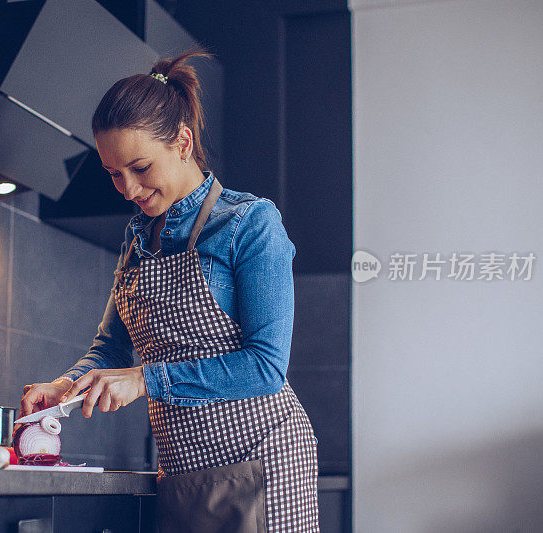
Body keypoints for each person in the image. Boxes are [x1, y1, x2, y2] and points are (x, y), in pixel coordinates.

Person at [20, 47, 319, 532]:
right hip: (182, 471)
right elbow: (112, 346)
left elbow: (265, 366)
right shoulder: (138, 237)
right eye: (114, 174)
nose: (129, 189)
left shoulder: (250, 223)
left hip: (263, 463)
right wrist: (65, 387)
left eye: (140, 168)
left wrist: (144, 381)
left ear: (182, 142)